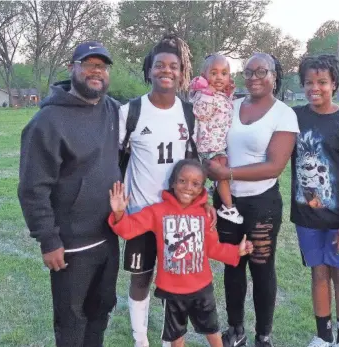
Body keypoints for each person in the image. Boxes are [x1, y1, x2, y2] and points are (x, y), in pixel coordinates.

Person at [18, 41, 121, 346]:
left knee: (99, 313)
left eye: (101, 66)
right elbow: (32, 188)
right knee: (71, 323)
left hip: (108, 237)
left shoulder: (112, 110)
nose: (96, 72)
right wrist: (49, 240)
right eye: (88, 64)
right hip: (71, 245)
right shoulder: (46, 122)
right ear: (72, 68)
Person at [119, 35, 216, 347]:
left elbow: (195, 165)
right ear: (149, 71)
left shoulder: (188, 114)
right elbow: (114, 157)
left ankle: (168, 338)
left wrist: (205, 200)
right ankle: (140, 339)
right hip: (142, 212)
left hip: (179, 217)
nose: (166, 70)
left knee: (176, 280)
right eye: (160, 65)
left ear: (181, 73)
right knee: (141, 277)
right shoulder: (130, 112)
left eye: (173, 66)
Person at [206, 53, 300, 347]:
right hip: (227, 202)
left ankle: (264, 335)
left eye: (262, 71)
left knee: (261, 267)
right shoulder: (228, 106)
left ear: (275, 76)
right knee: (233, 264)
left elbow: (275, 166)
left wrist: (227, 172)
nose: (254, 77)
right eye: (248, 71)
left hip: (262, 204)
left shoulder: (284, 114)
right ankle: (236, 330)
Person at [109, 159, 253, 347]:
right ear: (173, 183)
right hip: (172, 292)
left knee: (213, 332)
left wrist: (236, 251)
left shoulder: (204, 215)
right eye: (182, 181)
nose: (188, 187)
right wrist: (119, 213)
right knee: (176, 338)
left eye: (195, 184)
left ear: (202, 188)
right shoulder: (157, 212)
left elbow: (212, 248)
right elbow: (128, 229)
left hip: (202, 290)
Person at [291, 55, 339, 347]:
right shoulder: (296, 117)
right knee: (319, 275)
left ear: (334, 84)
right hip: (308, 218)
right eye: (309, 82)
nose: (315, 88)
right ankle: (323, 336)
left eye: (322, 82)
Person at [189, 54, 243, 224]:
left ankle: (213, 189)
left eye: (224, 73)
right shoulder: (204, 95)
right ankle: (228, 208)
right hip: (209, 146)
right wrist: (207, 95)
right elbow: (201, 113)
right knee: (222, 175)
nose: (219, 77)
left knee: (222, 174)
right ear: (205, 75)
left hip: (219, 144)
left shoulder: (221, 95)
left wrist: (228, 92)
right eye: (214, 73)